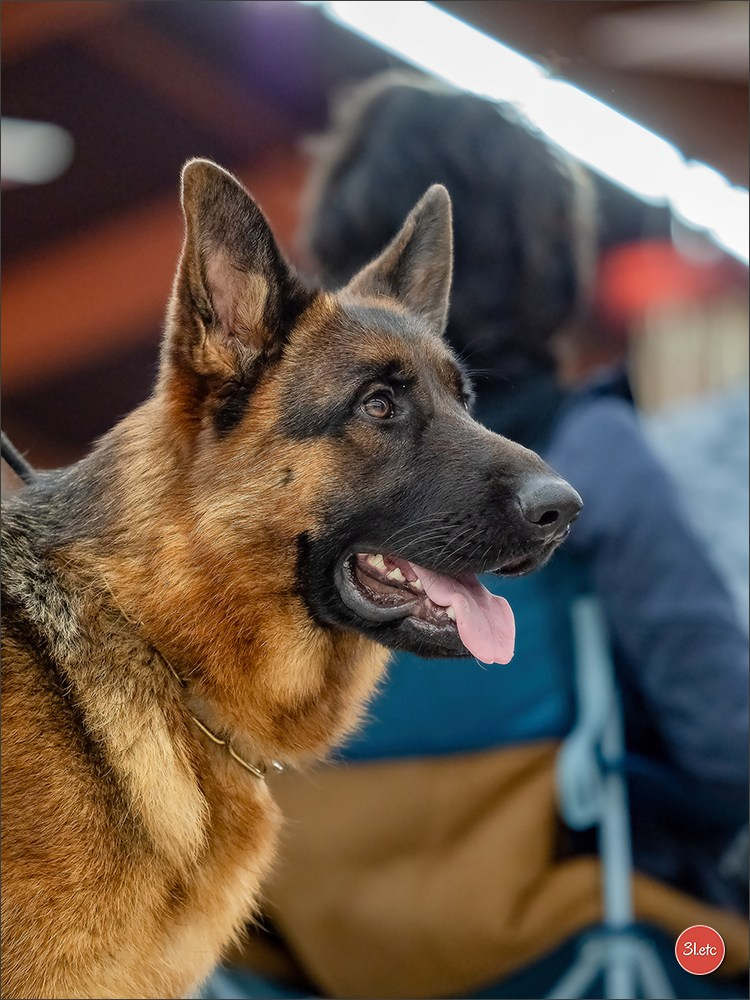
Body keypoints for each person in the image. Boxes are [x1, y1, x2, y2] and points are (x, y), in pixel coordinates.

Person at [203, 72, 748, 1000]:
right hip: (553, 937)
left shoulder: (263, 485)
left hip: (304, 945)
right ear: (549, 269)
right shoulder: (586, 454)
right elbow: (727, 742)